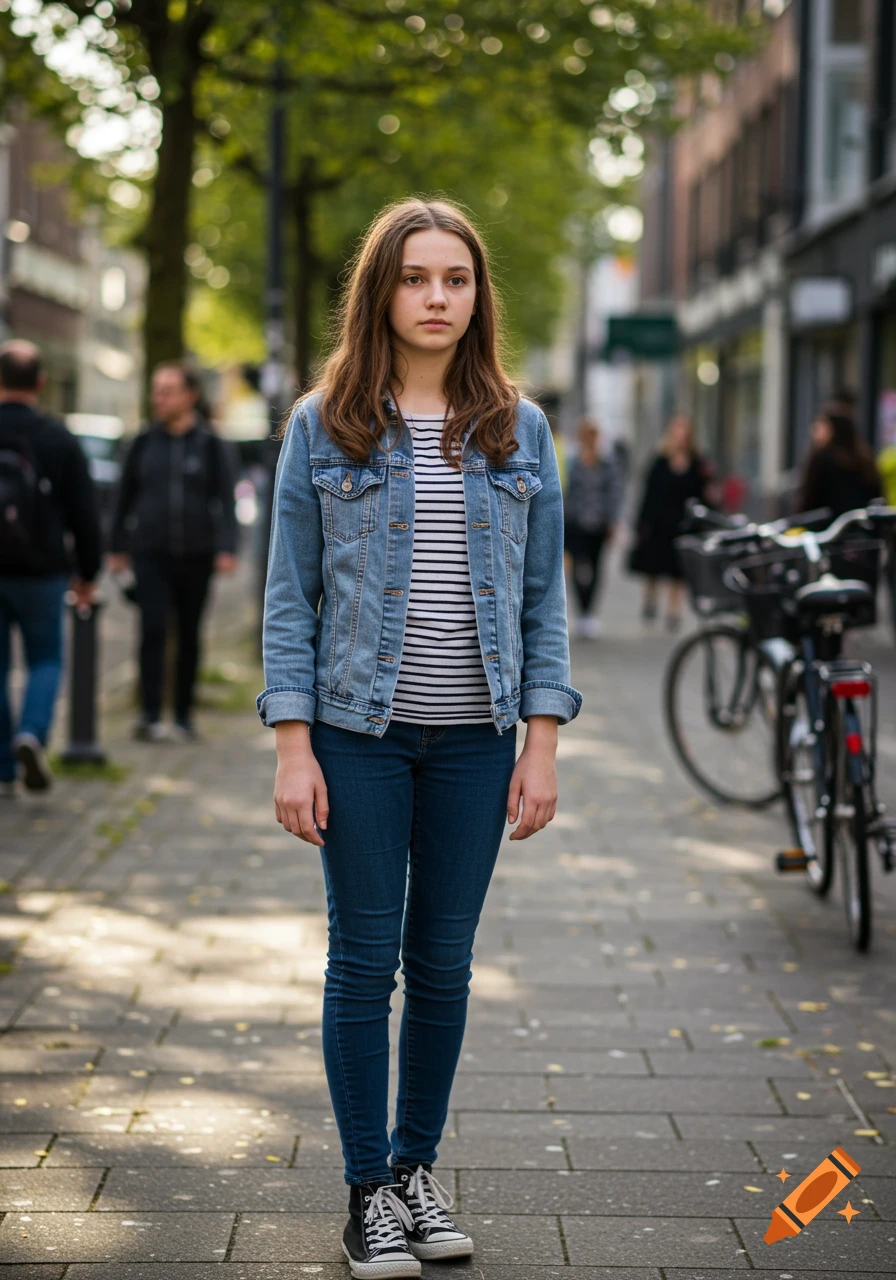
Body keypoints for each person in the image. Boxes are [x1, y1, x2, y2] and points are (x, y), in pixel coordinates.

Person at [258, 198, 581, 1279]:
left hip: (478, 739)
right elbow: (288, 598)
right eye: (415, 277)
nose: (437, 296)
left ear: (477, 293)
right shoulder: (324, 421)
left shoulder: (516, 427)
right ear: (380, 291)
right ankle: (365, 1192)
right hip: (356, 735)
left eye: (455, 277)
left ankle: (415, 1171)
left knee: (441, 964)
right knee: (362, 962)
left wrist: (541, 741)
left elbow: (544, 600)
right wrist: (290, 744)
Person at [108, 361, 238, 742]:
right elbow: (121, 498)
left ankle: (182, 715)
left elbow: (226, 500)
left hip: (197, 555)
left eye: (168, 390)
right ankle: (149, 715)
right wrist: (116, 546)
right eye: (156, 389)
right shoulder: (142, 443)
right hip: (150, 553)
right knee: (152, 629)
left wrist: (227, 547)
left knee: (189, 633)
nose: (159, 397)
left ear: (190, 396)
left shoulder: (211, 444)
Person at [0, 340, 101, 794]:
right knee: (45, 659)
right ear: (41, 382)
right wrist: (87, 573)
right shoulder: (57, 438)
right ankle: (32, 733)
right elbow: (84, 512)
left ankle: (3, 770)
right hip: (42, 571)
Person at [628, 414, 711, 631]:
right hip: (658, 524)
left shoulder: (697, 463)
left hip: (683, 525)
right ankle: (650, 600)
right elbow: (649, 493)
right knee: (654, 567)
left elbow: (703, 494)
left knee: (678, 571)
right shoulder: (660, 461)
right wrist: (641, 522)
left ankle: (674, 610)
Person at [564, 418, 623, 638]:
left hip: (598, 524)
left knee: (596, 569)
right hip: (575, 523)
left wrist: (613, 521)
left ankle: (589, 613)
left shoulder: (607, 463)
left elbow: (614, 493)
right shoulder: (573, 462)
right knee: (577, 568)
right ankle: (582, 611)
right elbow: (566, 491)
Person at [798, 403, 882, 518]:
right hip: (861, 528)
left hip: (825, 530)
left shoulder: (820, 459)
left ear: (832, 430)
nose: (814, 431)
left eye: (820, 426)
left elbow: (808, 500)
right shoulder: (865, 460)